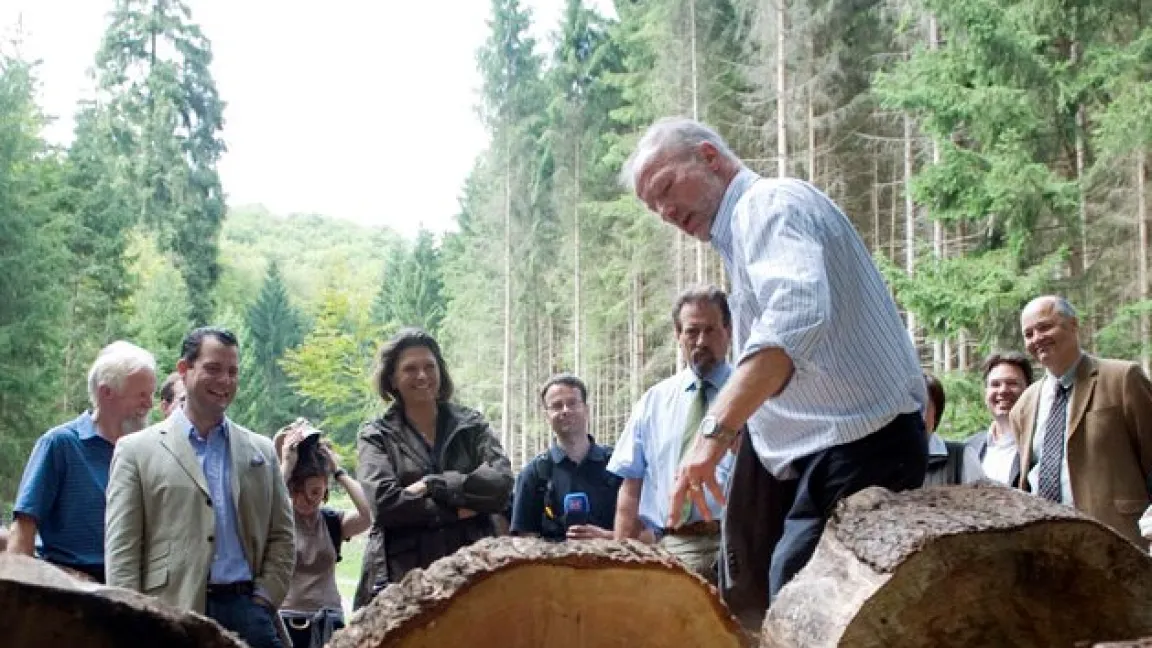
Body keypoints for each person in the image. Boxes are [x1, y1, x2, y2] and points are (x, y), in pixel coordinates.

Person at [622, 117, 927, 602]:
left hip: (862, 444)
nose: (664, 211)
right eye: (653, 205)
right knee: (763, 590)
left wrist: (714, 435)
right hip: (827, 450)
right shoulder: (745, 231)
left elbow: (795, 315)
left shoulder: (766, 205)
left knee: (806, 600)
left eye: (665, 188)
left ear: (709, 157)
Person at [105, 327, 295, 648]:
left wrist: (264, 598)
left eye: (233, 372)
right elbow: (122, 548)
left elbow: (283, 535)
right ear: (184, 369)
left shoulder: (260, 450)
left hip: (248, 609)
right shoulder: (136, 451)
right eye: (213, 369)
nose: (225, 381)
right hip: (170, 612)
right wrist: (132, 619)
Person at [354, 328, 513, 609]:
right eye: (410, 369)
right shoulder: (376, 435)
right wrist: (464, 506)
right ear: (392, 378)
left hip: (474, 572)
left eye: (430, 366)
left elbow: (501, 487)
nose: (422, 376)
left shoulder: (472, 426)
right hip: (403, 580)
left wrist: (434, 484)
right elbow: (386, 505)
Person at [608, 286, 735, 582]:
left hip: (738, 543)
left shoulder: (751, 394)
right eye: (692, 332)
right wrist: (621, 552)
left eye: (711, 330)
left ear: (727, 330)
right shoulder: (654, 401)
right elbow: (631, 483)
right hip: (672, 546)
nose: (701, 341)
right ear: (678, 335)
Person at [7, 341, 156, 584]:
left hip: (131, 588)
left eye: (151, 395)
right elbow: (24, 527)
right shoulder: (60, 444)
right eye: (141, 395)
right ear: (106, 392)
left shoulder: (146, 452)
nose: (149, 404)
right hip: (67, 590)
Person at [1010, 296, 1152, 547]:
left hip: (1119, 541)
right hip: (1048, 546)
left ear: (1074, 325)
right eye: (1028, 333)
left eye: (1044, 327)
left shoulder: (1122, 379)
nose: (1037, 338)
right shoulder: (1024, 405)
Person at [275, 419, 371, 648]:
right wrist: (287, 465)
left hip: (329, 620)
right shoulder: (278, 519)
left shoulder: (331, 522)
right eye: (297, 492)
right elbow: (266, 504)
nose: (307, 500)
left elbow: (368, 514)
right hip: (286, 619)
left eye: (316, 492)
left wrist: (338, 471)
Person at [511, 374, 621, 541]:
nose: (565, 411)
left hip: (614, 563)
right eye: (556, 406)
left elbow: (647, 534)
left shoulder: (618, 465)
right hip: (552, 565)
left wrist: (607, 538)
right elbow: (523, 541)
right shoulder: (533, 474)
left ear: (586, 409)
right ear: (547, 416)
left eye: (572, 403)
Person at [965, 352, 1033, 486]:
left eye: (1012, 383)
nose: (1002, 390)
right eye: (995, 384)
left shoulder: (1038, 445)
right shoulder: (969, 447)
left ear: (1029, 390)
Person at [921, 373, 983, 486]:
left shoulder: (961, 458)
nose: (913, 415)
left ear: (936, 414)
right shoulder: (885, 460)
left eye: (922, 407)